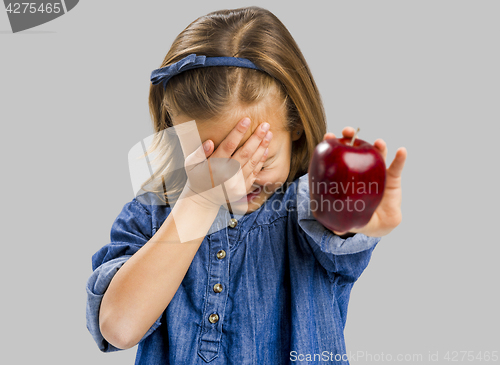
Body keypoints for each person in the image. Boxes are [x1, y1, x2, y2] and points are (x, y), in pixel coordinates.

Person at [86, 6, 407, 364]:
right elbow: (119, 328)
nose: (239, 181)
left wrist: (351, 210)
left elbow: (333, 225)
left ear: (296, 127)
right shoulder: (150, 216)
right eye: (211, 163)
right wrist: (199, 200)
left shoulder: (306, 211)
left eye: (259, 160)